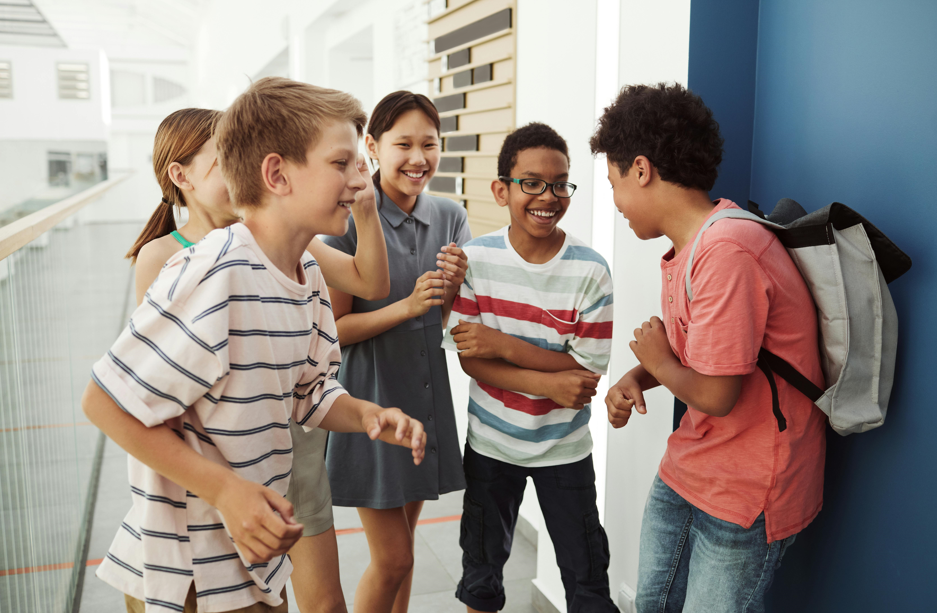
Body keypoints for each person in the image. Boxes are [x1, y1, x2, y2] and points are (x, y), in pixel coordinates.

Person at [81, 77, 426, 613]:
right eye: (342, 163)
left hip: (255, 554)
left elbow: (309, 392)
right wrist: (225, 491)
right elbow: (104, 402)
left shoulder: (306, 269)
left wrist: (367, 415)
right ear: (276, 174)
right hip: (192, 566)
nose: (363, 180)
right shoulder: (213, 272)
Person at [592, 83, 826, 613]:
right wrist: (641, 374)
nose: (616, 203)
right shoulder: (691, 247)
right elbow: (702, 353)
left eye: (613, 182)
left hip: (748, 489)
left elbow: (717, 393)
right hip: (692, 468)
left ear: (642, 169)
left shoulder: (728, 251)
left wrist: (655, 360)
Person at [442, 122, 617, 612]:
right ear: (502, 190)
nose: (549, 195)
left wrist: (504, 344)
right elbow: (474, 363)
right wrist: (547, 379)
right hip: (490, 445)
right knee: (480, 572)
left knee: (587, 580)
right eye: (532, 183)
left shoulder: (591, 270)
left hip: (565, 449)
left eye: (561, 183)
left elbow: (583, 376)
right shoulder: (474, 261)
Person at [321, 90, 471, 613]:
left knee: (403, 556)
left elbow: (442, 325)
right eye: (403, 143)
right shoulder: (348, 218)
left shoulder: (450, 217)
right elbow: (334, 331)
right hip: (372, 400)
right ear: (372, 146)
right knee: (394, 559)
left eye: (428, 144)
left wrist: (449, 293)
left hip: (425, 397)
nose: (418, 157)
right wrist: (405, 307)